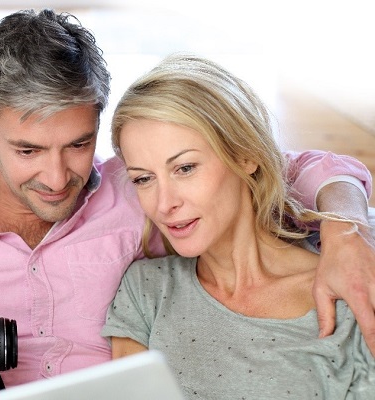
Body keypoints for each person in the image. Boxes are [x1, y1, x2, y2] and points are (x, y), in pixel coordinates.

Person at [0, 9, 374, 400]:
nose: (58, 177)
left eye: (79, 144)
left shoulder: (139, 193)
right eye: (28, 150)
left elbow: (285, 167)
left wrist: (349, 230)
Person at [102, 53, 375, 399]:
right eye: (143, 178)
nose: (164, 203)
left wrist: (346, 225)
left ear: (246, 155)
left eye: (185, 168)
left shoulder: (349, 286)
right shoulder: (146, 291)